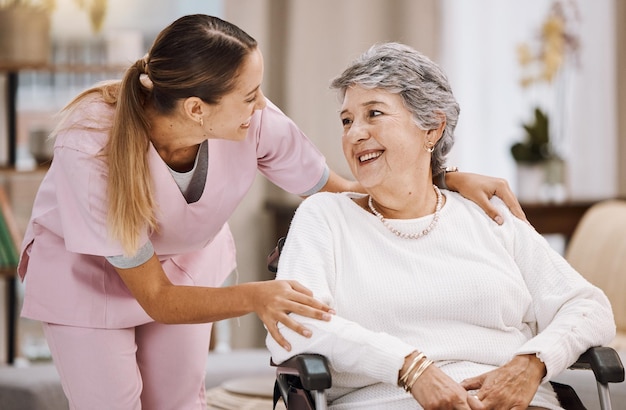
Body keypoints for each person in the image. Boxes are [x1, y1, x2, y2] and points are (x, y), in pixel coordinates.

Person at [18, 14, 524, 409]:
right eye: (249, 95)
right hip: (91, 279)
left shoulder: (254, 122)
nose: (261, 107)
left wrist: (444, 178)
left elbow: (343, 191)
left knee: (176, 403)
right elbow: (155, 297)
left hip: (185, 271)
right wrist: (260, 296)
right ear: (197, 108)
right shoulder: (91, 145)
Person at [266, 42, 616, 410]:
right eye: (347, 120)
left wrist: (531, 363)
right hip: (384, 402)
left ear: (432, 128)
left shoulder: (487, 214)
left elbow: (588, 306)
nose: (354, 134)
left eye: (374, 113)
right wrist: (409, 368)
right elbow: (293, 325)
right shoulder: (324, 217)